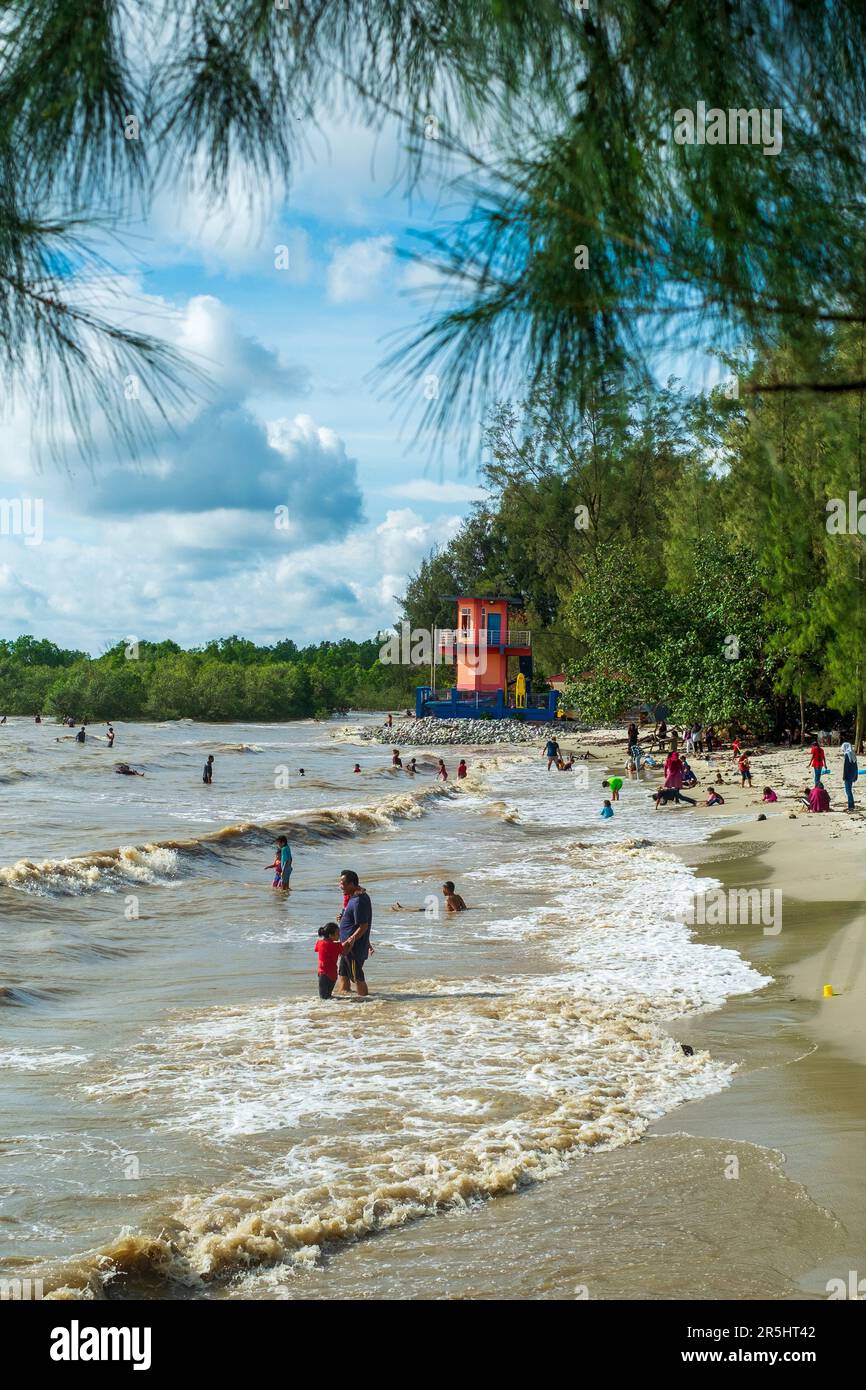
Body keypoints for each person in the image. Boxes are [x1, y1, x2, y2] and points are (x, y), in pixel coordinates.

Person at [336, 870, 372, 997]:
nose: (341, 886)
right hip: (346, 947)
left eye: (343, 883)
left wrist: (351, 940)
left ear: (352, 884)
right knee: (343, 974)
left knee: (357, 977)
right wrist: (344, 917)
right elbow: (355, 921)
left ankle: (366, 1003)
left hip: (353, 948)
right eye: (340, 882)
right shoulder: (354, 897)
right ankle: (347, 1003)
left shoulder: (359, 901)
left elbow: (363, 926)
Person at [315, 923, 345, 1000]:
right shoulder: (337, 946)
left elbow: (316, 949)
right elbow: (344, 952)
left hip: (323, 974)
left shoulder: (319, 943)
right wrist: (350, 943)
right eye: (338, 934)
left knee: (323, 998)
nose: (339, 935)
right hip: (333, 975)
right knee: (328, 996)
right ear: (330, 935)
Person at [840, 741, 859, 811]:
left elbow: (846, 767)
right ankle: (851, 805)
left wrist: (844, 776)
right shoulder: (853, 754)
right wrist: (856, 776)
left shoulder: (847, 755)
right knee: (849, 790)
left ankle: (851, 806)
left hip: (848, 776)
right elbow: (856, 766)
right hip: (853, 774)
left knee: (848, 791)